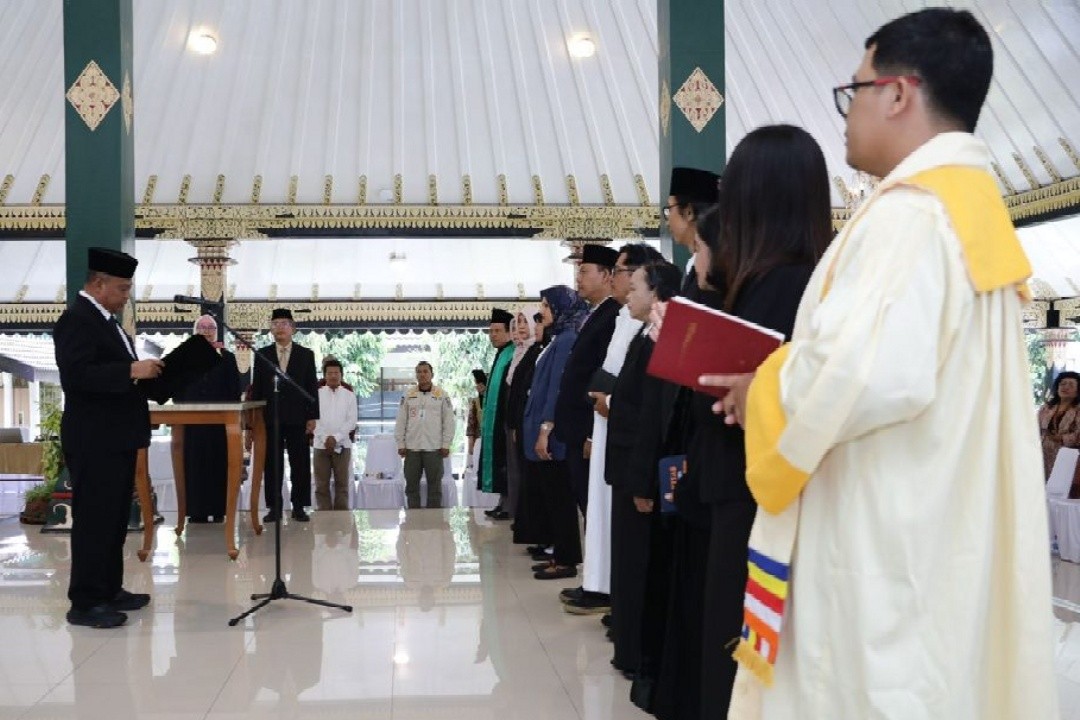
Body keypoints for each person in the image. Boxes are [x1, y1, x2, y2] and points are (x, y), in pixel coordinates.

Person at [718, 9, 1057, 718]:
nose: (846, 113)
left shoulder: (913, 216)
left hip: (880, 544)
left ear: (898, 93)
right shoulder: (965, 207)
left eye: (855, 90)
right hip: (931, 521)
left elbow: (856, 375)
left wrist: (760, 391)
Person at [690, 125, 832, 719]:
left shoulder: (783, 284)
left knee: (740, 659)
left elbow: (752, 397)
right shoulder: (793, 278)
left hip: (756, 500)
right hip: (749, 490)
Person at [54, 247, 163, 628]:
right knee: (94, 520)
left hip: (116, 436)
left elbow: (112, 371)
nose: (126, 296)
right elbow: (77, 376)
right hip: (93, 438)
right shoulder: (77, 320)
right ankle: (85, 602)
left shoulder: (107, 321)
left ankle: (109, 588)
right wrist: (132, 369)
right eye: (122, 289)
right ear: (99, 284)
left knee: (114, 518)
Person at [564, 242, 663, 617]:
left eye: (622, 273)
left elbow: (635, 381)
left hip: (622, 424)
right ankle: (602, 584)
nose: (620, 281)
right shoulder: (622, 315)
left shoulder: (642, 319)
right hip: (605, 419)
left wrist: (610, 400)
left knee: (617, 516)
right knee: (602, 511)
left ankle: (611, 591)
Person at [605, 259, 682, 677]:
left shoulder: (660, 340)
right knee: (627, 562)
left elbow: (651, 418)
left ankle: (639, 655)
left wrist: (642, 483)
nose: (629, 294)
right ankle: (628, 647)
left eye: (635, 287)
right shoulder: (643, 334)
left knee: (639, 566)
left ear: (657, 293)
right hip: (626, 468)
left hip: (640, 474)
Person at [525, 286, 589, 580]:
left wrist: (545, 429)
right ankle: (560, 555)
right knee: (552, 497)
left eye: (546, 306)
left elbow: (556, 389)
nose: (542, 312)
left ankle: (566, 560)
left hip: (552, 434)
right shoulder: (556, 338)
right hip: (543, 428)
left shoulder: (566, 340)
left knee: (560, 498)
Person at [553, 242, 621, 515]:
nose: (577, 279)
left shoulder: (613, 315)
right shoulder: (596, 315)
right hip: (576, 430)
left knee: (594, 507)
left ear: (606, 276)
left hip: (588, 430)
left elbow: (603, 374)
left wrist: (592, 434)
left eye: (584, 271)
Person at [248, 308, 319, 522]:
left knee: (300, 463)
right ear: (271, 329)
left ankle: (299, 507)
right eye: (275, 324)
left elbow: (311, 387)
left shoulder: (306, 354)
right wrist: (255, 420)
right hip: (271, 418)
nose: (279, 327)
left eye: (284, 323)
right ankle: (274, 508)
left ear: (293, 328)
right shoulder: (263, 354)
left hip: (298, 417)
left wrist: (312, 416)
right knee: (272, 464)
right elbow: (257, 388)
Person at [173, 314, 242, 524]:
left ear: (216, 332)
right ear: (195, 332)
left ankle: (219, 509)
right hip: (192, 424)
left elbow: (234, 390)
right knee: (194, 466)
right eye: (202, 327)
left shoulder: (227, 357)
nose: (206, 331)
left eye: (210, 327)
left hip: (219, 424)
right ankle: (196, 511)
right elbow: (177, 390)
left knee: (219, 465)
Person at [511, 313, 552, 550]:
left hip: (539, 426)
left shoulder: (546, 349)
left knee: (541, 485)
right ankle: (536, 534)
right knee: (531, 483)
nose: (530, 327)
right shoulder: (531, 351)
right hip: (526, 424)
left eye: (532, 322)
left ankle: (548, 540)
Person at [394, 361, 455, 508]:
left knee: (435, 487)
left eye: (425, 371)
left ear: (432, 374)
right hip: (412, 448)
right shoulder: (408, 395)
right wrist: (401, 443)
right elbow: (401, 420)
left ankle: (434, 518)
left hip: (434, 448)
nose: (422, 374)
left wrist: (446, 444)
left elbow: (449, 421)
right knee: (411, 486)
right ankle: (412, 517)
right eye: (419, 372)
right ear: (416, 375)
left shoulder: (441, 395)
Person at [504, 306, 539, 528]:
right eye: (517, 323)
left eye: (525, 322)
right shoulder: (519, 351)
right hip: (517, 420)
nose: (521, 328)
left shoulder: (535, 350)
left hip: (528, 421)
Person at [479, 309, 515, 518]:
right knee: (501, 461)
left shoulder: (512, 354)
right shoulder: (501, 354)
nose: (492, 335)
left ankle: (509, 505)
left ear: (509, 332)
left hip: (505, 420)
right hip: (497, 420)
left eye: (497, 331)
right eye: (490, 331)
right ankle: (503, 502)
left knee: (505, 462)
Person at [313, 358, 358, 511]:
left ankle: (341, 519)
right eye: (330, 373)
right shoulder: (316, 394)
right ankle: (324, 517)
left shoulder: (349, 395)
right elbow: (313, 420)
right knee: (321, 485)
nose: (333, 376)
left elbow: (351, 421)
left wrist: (336, 438)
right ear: (324, 375)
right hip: (321, 446)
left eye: (336, 373)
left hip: (343, 446)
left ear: (341, 375)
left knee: (342, 485)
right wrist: (325, 438)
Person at [1039, 370, 1080, 480]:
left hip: (1067, 457)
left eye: (1071, 385)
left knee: (1060, 486)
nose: (1065, 387)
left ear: (1078, 390)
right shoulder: (1046, 408)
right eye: (1062, 384)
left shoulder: (1078, 410)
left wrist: (1061, 438)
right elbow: (1034, 429)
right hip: (1042, 455)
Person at [465, 369, 487, 462]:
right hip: (479, 440)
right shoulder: (475, 402)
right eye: (476, 384)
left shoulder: (494, 402)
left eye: (480, 384)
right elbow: (471, 426)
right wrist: (470, 445)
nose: (477, 387)